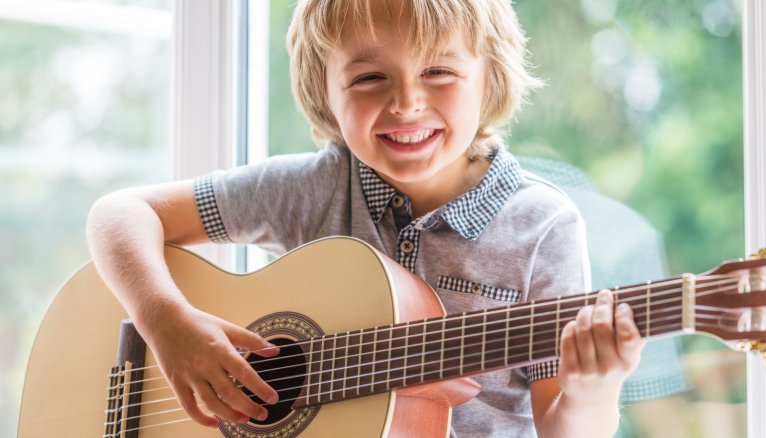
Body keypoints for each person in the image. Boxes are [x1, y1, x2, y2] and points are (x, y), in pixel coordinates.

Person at [86, 0, 643, 436]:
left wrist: (592, 392)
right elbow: (121, 214)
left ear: (490, 78)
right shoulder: (314, 188)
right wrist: (167, 324)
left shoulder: (542, 227)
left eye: (439, 71)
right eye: (370, 78)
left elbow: (563, 428)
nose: (406, 103)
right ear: (324, 94)